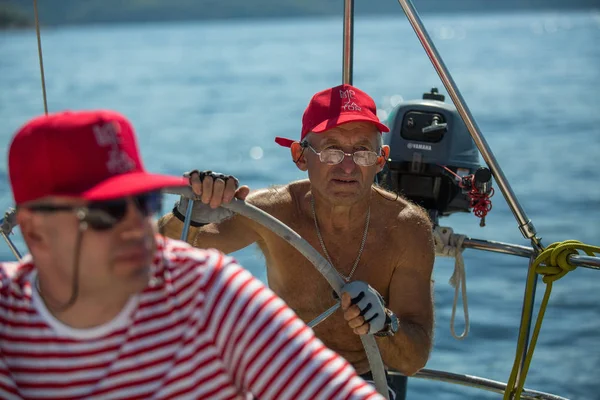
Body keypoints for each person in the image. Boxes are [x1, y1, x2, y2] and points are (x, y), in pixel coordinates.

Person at [0, 110, 387, 400]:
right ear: (36, 232)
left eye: (143, 200)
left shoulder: (204, 291)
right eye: (109, 211)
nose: (138, 226)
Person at [159, 84, 436, 399]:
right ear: (300, 156)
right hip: (282, 376)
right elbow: (162, 257)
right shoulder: (274, 211)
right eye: (331, 150)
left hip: (364, 381)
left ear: (380, 160)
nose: (347, 166)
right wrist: (189, 215)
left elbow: (413, 360)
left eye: (362, 152)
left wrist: (384, 323)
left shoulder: (408, 228)